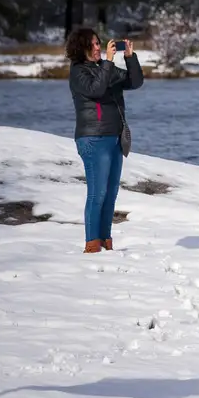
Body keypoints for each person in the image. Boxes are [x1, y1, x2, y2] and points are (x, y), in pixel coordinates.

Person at [66, 28, 145, 253]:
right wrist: (109, 62)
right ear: (81, 48)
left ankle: (105, 242)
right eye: (93, 44)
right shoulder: (78, 72)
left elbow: (135, 82)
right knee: (97, 193)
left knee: (111, 194)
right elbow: (97, 89)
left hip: (114, 137)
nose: (98, 47)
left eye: (99, 43)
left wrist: (130, 58)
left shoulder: (104, 68)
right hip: (93, 138)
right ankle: (92, 245)